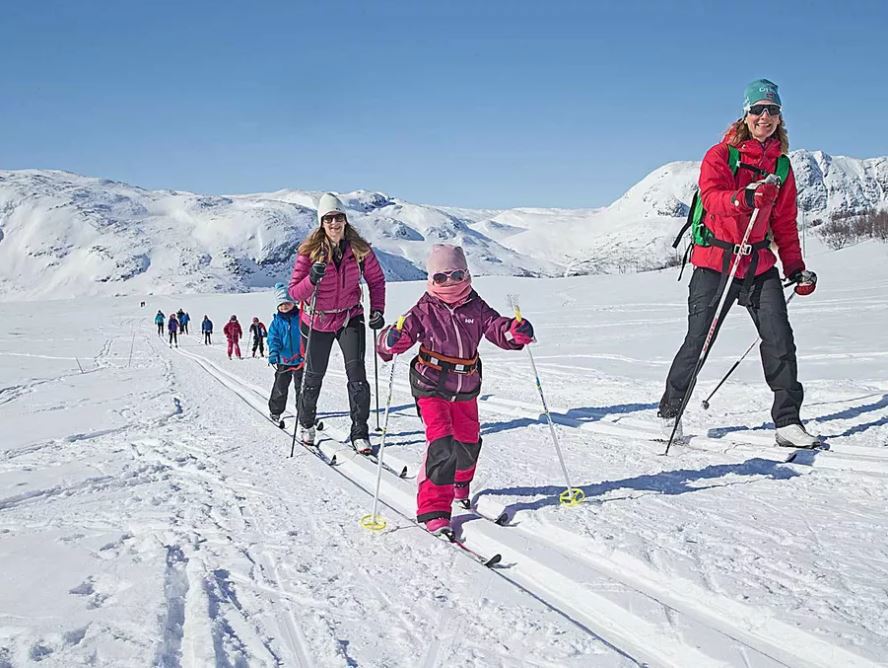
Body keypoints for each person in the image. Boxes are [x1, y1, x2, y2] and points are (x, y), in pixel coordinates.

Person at [659, 79, 818, 448]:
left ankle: (788, 422)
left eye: (772, 110)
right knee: (699, 340)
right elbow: (713, 198)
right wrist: (744, 198)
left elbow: (783, 224)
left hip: (759, 264)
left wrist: (795, 268)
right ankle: (670, 413)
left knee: (779, 339)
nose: (765, 116)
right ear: (745, 115)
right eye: (758, 110)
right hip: (716, 262)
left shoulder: (782, 166)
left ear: (780, 118)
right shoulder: (721, 155)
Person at [377, 244, 535, 536]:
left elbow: (496, 327)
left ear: (467, 274)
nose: (449, 282)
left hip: (466, 385)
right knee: (442, 443)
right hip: (430, 386)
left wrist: (514, 332)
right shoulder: (425, 308)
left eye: (456, 274)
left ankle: (460, 484)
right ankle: (434, 509)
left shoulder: (475, 305)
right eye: (441, 277)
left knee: (468, 442)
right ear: (431, 280)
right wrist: (391, 339)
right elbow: (396, 337)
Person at [288, 193, 386, 452]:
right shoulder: (309, 252)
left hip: (348, 317)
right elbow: (295, 292)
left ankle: (360, 432)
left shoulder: (359, 249)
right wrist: (311, 278)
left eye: (338, 217)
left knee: (358, 377)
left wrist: (377, 309)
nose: (334, 223)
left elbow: (376, 280)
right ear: (321, 222)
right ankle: (307, 424)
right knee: (313, 377)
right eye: (329, 218)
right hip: (317, 320)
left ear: (345, 220)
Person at [267, 284, 304, 426]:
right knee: (280, 387)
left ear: (293, 303)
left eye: (287, 303)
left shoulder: (301, 317)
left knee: (302, 388)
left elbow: (307, 334)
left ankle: (304, 413)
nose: (284, 307)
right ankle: (275, 410)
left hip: (301, 359)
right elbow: (273, 339)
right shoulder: (276, 322)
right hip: (284, 360)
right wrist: (273, 353)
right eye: (281, 305)